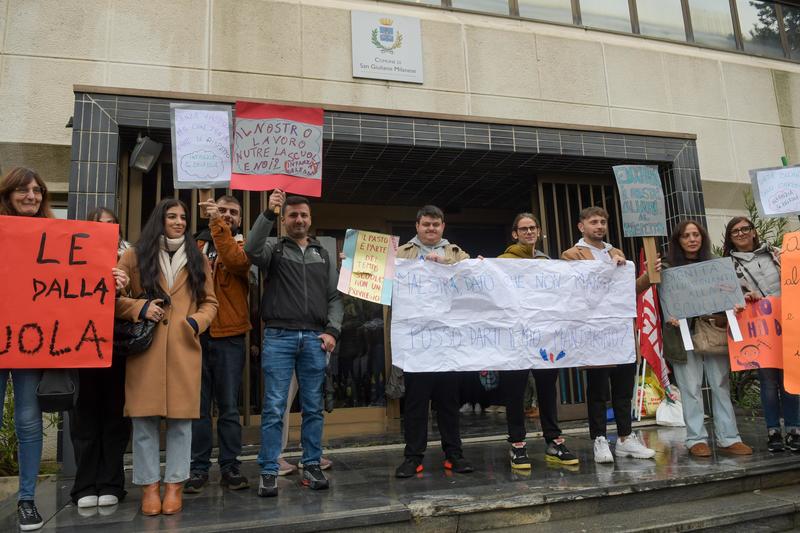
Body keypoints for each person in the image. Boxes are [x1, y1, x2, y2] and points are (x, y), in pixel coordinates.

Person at [0, 168, 127, 530]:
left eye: (37, 190)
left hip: (26, 348)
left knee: (28, 422)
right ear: (8, 193)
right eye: (24, 190)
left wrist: (113, 279)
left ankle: (26, 500)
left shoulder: (55, 237)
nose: (32, 196)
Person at [115, 198, 218, 516]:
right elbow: (111, 297)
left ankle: (174, 486)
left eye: (183, 217)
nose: (178, 221)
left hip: (184, 349)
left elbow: (210, 303)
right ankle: (149, 487)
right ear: (158, 219)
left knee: (181, 424)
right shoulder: (134, 255)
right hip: (145, 351)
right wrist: (140, 307)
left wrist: (194, 323)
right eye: (171, 216)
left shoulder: (197, 257)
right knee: (144, 423)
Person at [245, 191, 342, 497]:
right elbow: (250, 248)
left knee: (313, 407)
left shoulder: (322, 252)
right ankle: (269, 470)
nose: (299, 220)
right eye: (293, 215)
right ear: (284, 220)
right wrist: (268, 212)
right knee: (274, 407)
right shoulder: (273, 248)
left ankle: (311, 464)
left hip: (315, 339)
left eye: (304, 215)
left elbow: (334, 298)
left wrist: (332, 331)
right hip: (279, 337)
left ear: (310, 219)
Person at [561, 206, 656, 464]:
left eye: (603, 221)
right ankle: (600, 439)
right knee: (598, 389)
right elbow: (575, 288)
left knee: (624, 388)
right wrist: (605, 271)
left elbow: (629, 291)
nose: (599, 226)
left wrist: (649, 276)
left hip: (620, 331)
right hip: (594, 334)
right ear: (582, 226)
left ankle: (625, 438)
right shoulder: (571, 255)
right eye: (594, 222)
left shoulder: (616, 252)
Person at [394, 205, 475, 478]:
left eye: (436, 225)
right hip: (416, 343)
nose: (431, 229)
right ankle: (413, 457)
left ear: (443, 227)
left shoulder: (455, 252)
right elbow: (377, 277)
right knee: (416, 404)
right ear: (417, 225)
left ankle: (454, 455)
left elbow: (473, 276)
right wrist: (353, 264)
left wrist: (445, 265)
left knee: (449, 404)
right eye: (426, 224)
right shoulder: (401, 253)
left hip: (448, 343)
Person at [662, 219, 752, 458]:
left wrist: (732, 306)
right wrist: (669, 314)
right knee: (690, 388)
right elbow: (661, 299)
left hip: (714, 331)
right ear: (678, 240)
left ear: (702, 238)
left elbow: (729, 293)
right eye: (686, 235)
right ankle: (696, 439)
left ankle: (729, 438)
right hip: (682, 335)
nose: (692, 239)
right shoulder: (666, 266)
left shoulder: (716, 265)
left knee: (720, 384)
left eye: (696, 235)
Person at [498, 213, 578, 469]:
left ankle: (554, 441)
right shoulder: (502, 261)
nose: (529, 232)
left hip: (545, 339)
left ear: (539, 231)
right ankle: (517, 444)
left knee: (546, 390)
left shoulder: (548, 262)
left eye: (533, 228)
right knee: (515, 392)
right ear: (515, 234)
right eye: (524, 229)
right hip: (516, 339)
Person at [184, 196, 251, 493]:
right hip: (196, 334)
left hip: (230, 336)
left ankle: (230, 466)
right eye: (221, 210)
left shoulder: (245, 244)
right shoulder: (193, 246)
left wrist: (216, 225)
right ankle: (198, 468)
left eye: (232, 212)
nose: (226, 215)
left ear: (240, 219)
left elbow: (236, 262)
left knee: (228, 407)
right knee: (198, 409)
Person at [70, 208, 132, 510]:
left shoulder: (129, 255)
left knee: (115, 417)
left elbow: (145, 295)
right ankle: (84, 485)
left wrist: (126, 286)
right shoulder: (73, 254)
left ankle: (111, 483)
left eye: (111, 224)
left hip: (117, 347)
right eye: (99, 224)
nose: (106, 229)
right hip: (82, 345)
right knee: (85, 418)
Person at [723, 217, 798, 452]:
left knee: (791, 379)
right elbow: (724, 296)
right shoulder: (727, 266)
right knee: (767, 381)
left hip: (788, 324)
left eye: (745, 228)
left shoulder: (777, 253)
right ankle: (773, 431)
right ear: (730, 237)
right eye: (735, 231)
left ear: (754, 232)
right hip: (759, 329)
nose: (742, 233)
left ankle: (795, 429)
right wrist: (744, 296)